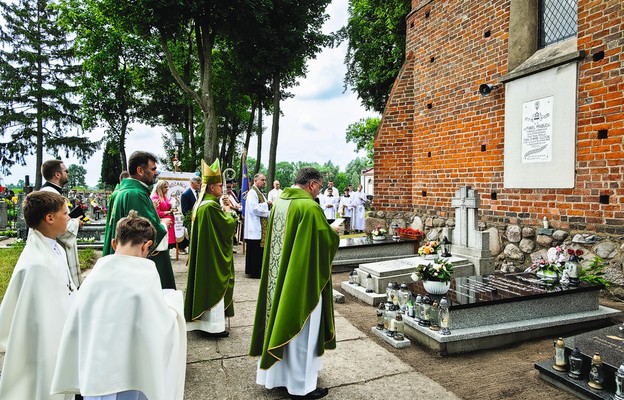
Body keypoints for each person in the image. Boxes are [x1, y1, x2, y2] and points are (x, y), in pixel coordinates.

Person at [51, 211, 186, 400]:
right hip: (128, 373)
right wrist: (174, 309)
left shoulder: (95, 276)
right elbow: (160, 325)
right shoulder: (145, 274)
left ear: (114, 243)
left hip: (94, 370)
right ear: (147, 246)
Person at [250, 167, 339, 400]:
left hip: (279, 277)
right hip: (301, 280)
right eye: (319, 186)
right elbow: (321, 241)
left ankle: (278, 377)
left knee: (281, 320)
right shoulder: (309, 207)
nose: (318, 191)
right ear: (311, 185)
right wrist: (333, 232)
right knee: (304, 329)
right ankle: (301, 387)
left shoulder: (280, 201)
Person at [0, 191, 75, 400]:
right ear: (49, 218)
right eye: (65, 213)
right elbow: (41, 322)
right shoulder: (37, 266)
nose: (69, 218)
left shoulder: (51, 246)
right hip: (46, 347)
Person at [102, 151, 175, 289]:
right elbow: (142, 233)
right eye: (153, 169)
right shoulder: (136, 194)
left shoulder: (128, 191)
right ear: (140, 170)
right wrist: (163, 225)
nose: (156, 173)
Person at [185, 159, 237, 337]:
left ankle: (204, 323)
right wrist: (228, 211)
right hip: (213, 255)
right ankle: (214, 327)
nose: (222, 189)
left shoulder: (201, 204)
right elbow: (227, 226)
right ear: (211, 187)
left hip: (204, 254)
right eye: (220, 185)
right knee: (214, 284)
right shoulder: (211, 207)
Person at [40, 159, 84, 287]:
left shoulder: (48, 192)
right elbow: (61, 228)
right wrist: (76, 222)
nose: (68, 174)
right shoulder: (51, 195)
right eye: (66, 171)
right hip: (56, 247)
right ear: (57, 175)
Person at [244, 173, 271, 278]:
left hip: (260, 225)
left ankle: (257, 270)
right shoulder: (252, 193)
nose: (264, 182)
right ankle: (254, 271)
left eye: (264, 180)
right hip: (254, 226)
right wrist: (266, 205)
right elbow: (254, 208)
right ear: (256, 181)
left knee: (258, 250)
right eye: (262, 180)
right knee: (255, 249)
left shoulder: (260, 193)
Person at [151, 180, 176, 250]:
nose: (167, 189)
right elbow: (157, 213)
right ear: (160, 188)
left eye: (168, 187)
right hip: (163, 223)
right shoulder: (155, 198)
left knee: (168, 244)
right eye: (165, 187)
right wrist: (168, 212)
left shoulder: (164, 196)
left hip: (169, 223)